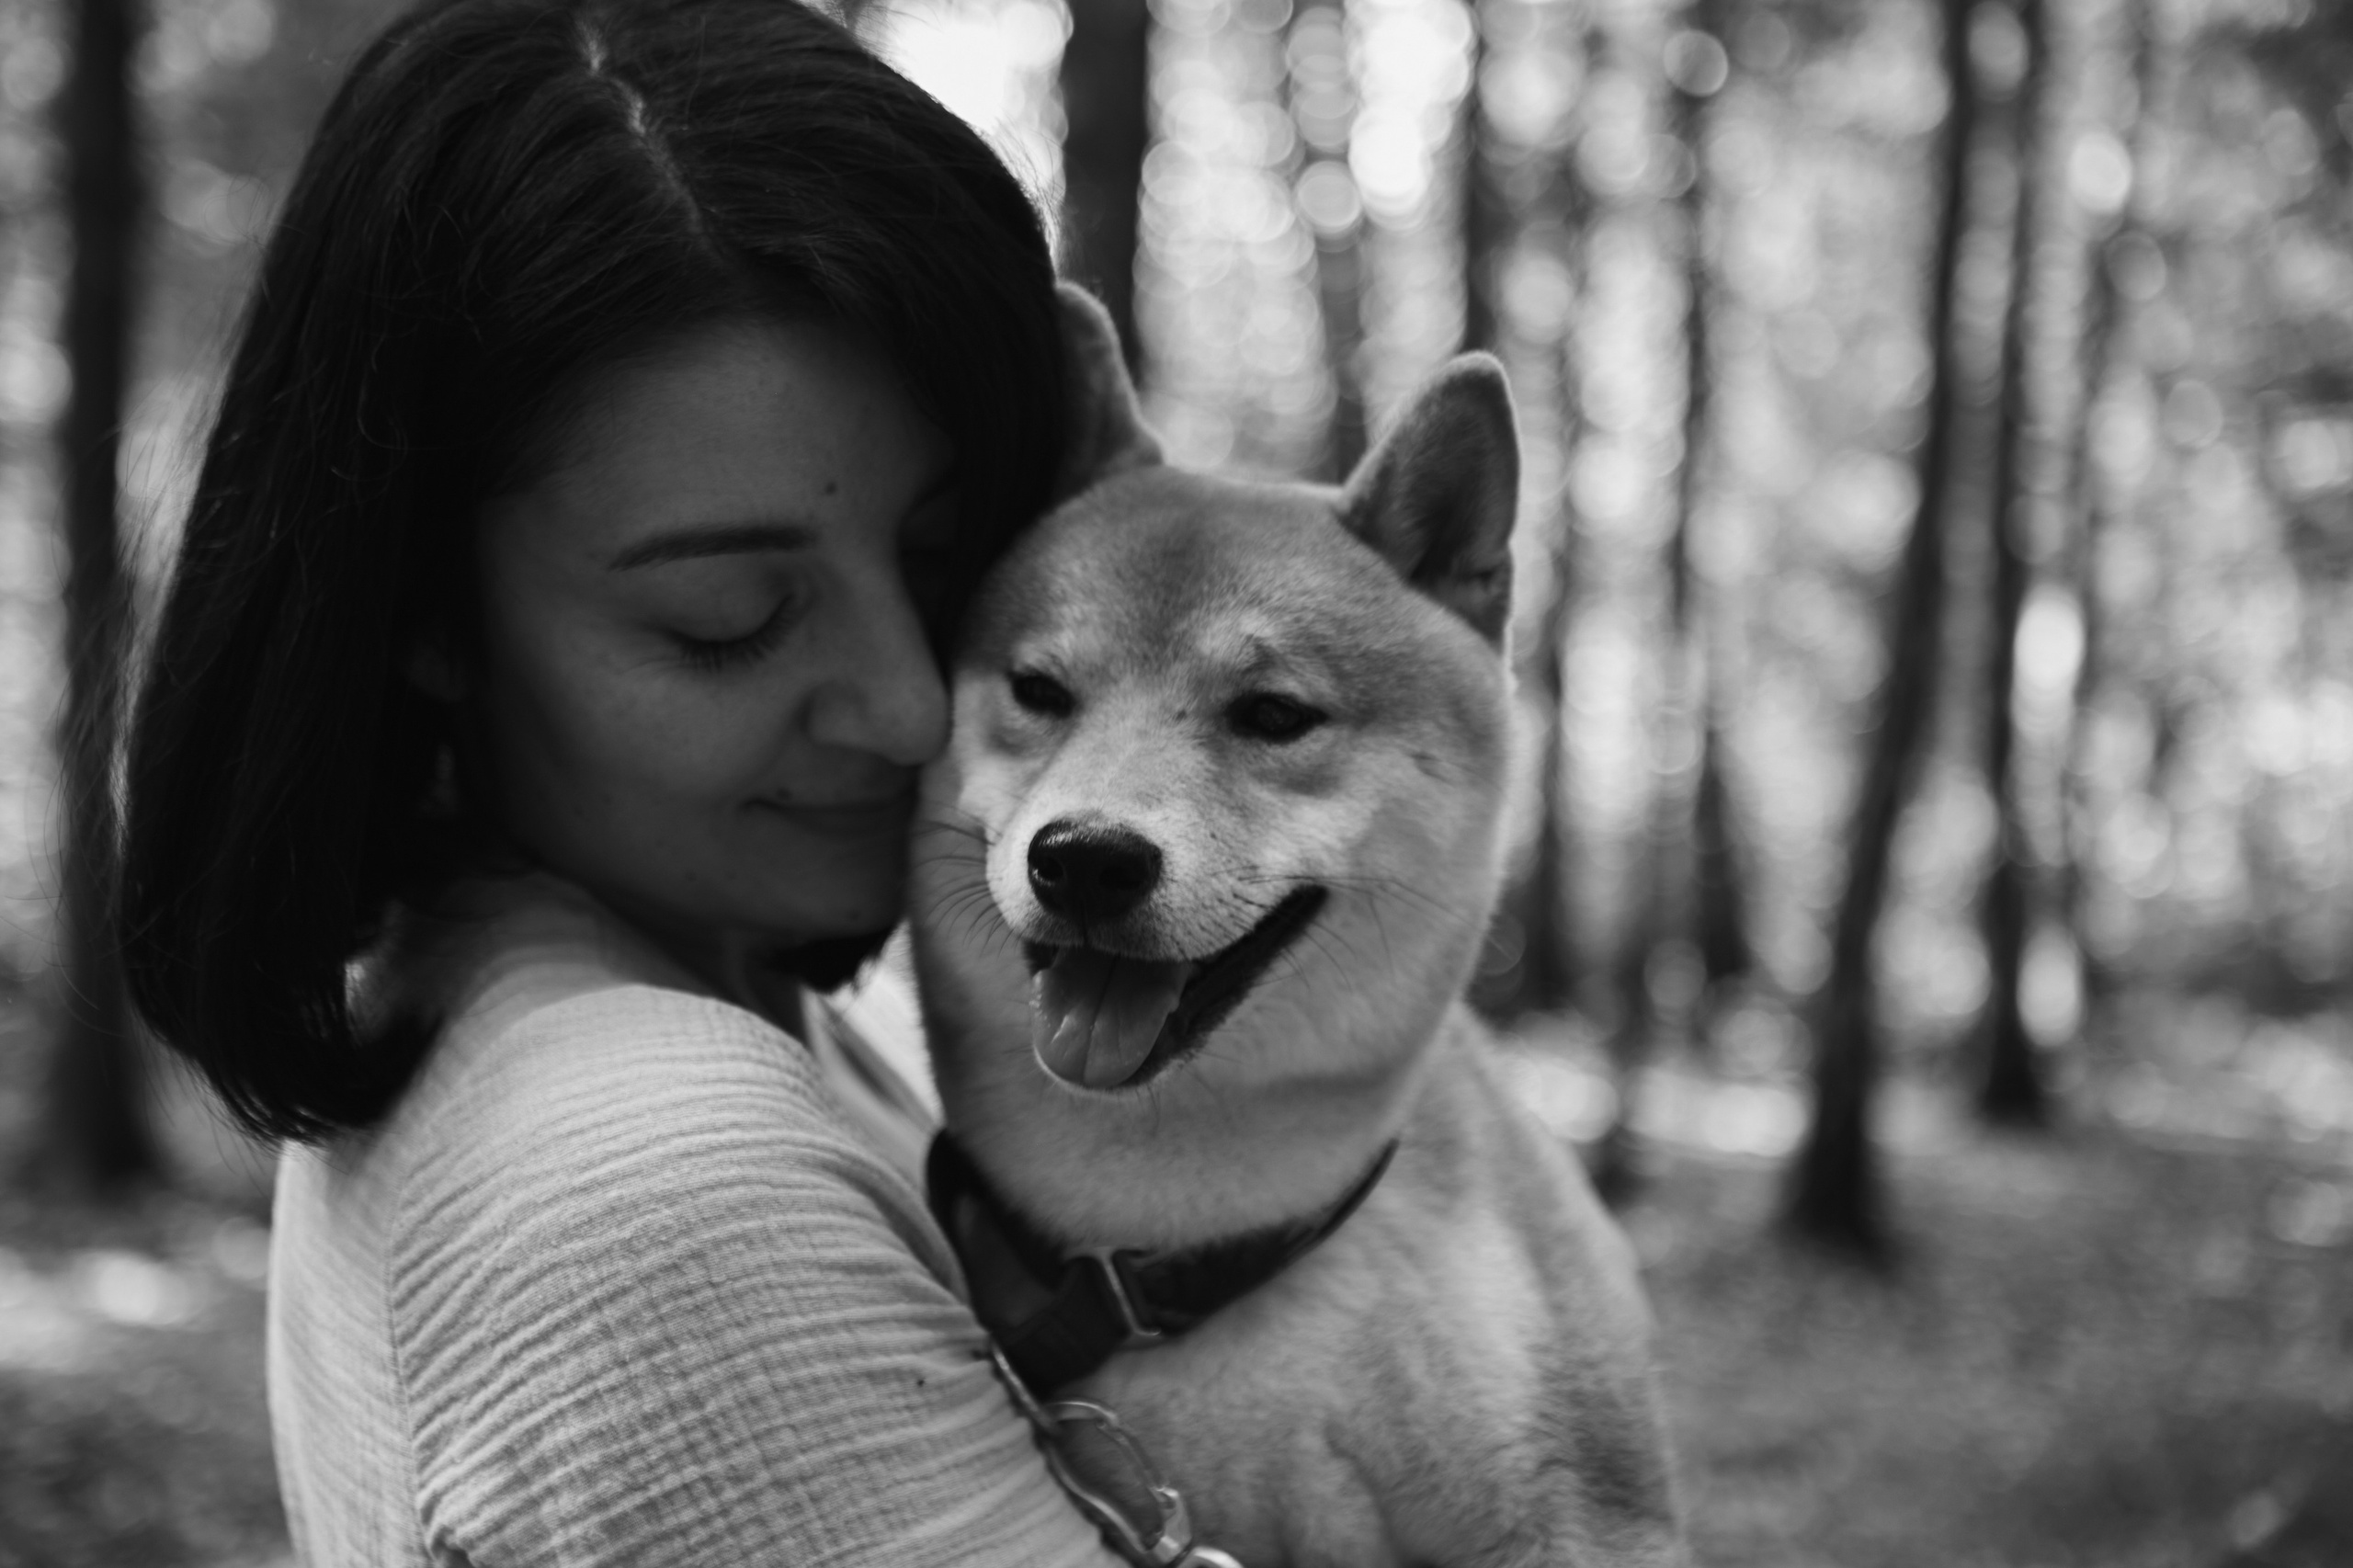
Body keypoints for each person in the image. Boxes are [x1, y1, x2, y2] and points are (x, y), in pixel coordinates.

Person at [115, 0, 1131, 1560]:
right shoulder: (659, 1177)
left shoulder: (567, 993)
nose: (910, 703)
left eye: (944, 557)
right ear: (426, 614)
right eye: (729, 616)